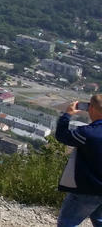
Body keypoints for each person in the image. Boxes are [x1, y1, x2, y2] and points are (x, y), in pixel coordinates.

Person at [56, 94, 102, 227]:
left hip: (89, 189)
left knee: (67, 223)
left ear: (91, 109)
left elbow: (62, 135)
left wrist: (67, 115)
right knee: (99, 219)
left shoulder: (87, 133)